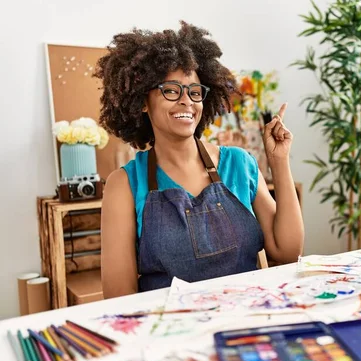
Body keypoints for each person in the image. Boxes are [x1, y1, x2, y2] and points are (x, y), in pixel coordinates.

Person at [96, 22, 304, 298]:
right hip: (171, 329)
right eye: (171, 90)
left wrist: (279, 161)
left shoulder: (239, 164)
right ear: (142, 101)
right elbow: (119, 295)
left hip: (248, 319)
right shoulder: (124, 184)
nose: (187, 101)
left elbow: (287, 251)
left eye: (194, 92)